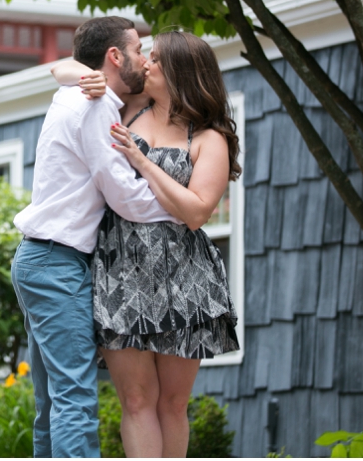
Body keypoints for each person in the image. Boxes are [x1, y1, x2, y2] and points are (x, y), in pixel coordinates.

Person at [52, 30, 241, 457]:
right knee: (135, 401)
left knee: (172, 404)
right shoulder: (128, 108)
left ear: (179, 71)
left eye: (156, 59)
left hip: (185, 278)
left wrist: (142, 162)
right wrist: (88, 78)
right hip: (121, 271)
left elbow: (196, 212)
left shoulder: (208, 139)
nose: (147, 64)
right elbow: (59, 69)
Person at [12, 16, 180, 458]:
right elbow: (124, 194)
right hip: (56, 264)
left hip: (41, 260)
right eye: (138, 50)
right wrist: (185, 209)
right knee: (74, 400)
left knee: (52, 402)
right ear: (114, 56)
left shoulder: (79, 92)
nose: (144, 60)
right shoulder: (95, 103)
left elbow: (61, 69)